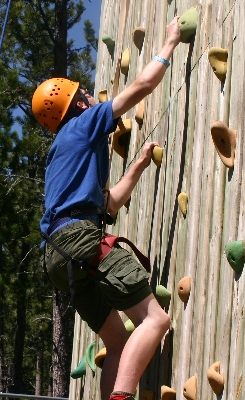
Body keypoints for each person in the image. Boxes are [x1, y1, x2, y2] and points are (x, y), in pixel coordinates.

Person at [32, 16, 181, 400]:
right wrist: (170, 42)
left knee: (116, 343)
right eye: (83, 95)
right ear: (76, 104)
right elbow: (142, 85)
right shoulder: (84, 124)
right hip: (81, 241)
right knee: (155, 319)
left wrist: (139, 165)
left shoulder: (62, 153)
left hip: (59, 257)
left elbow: (107, 203)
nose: (90, 98)